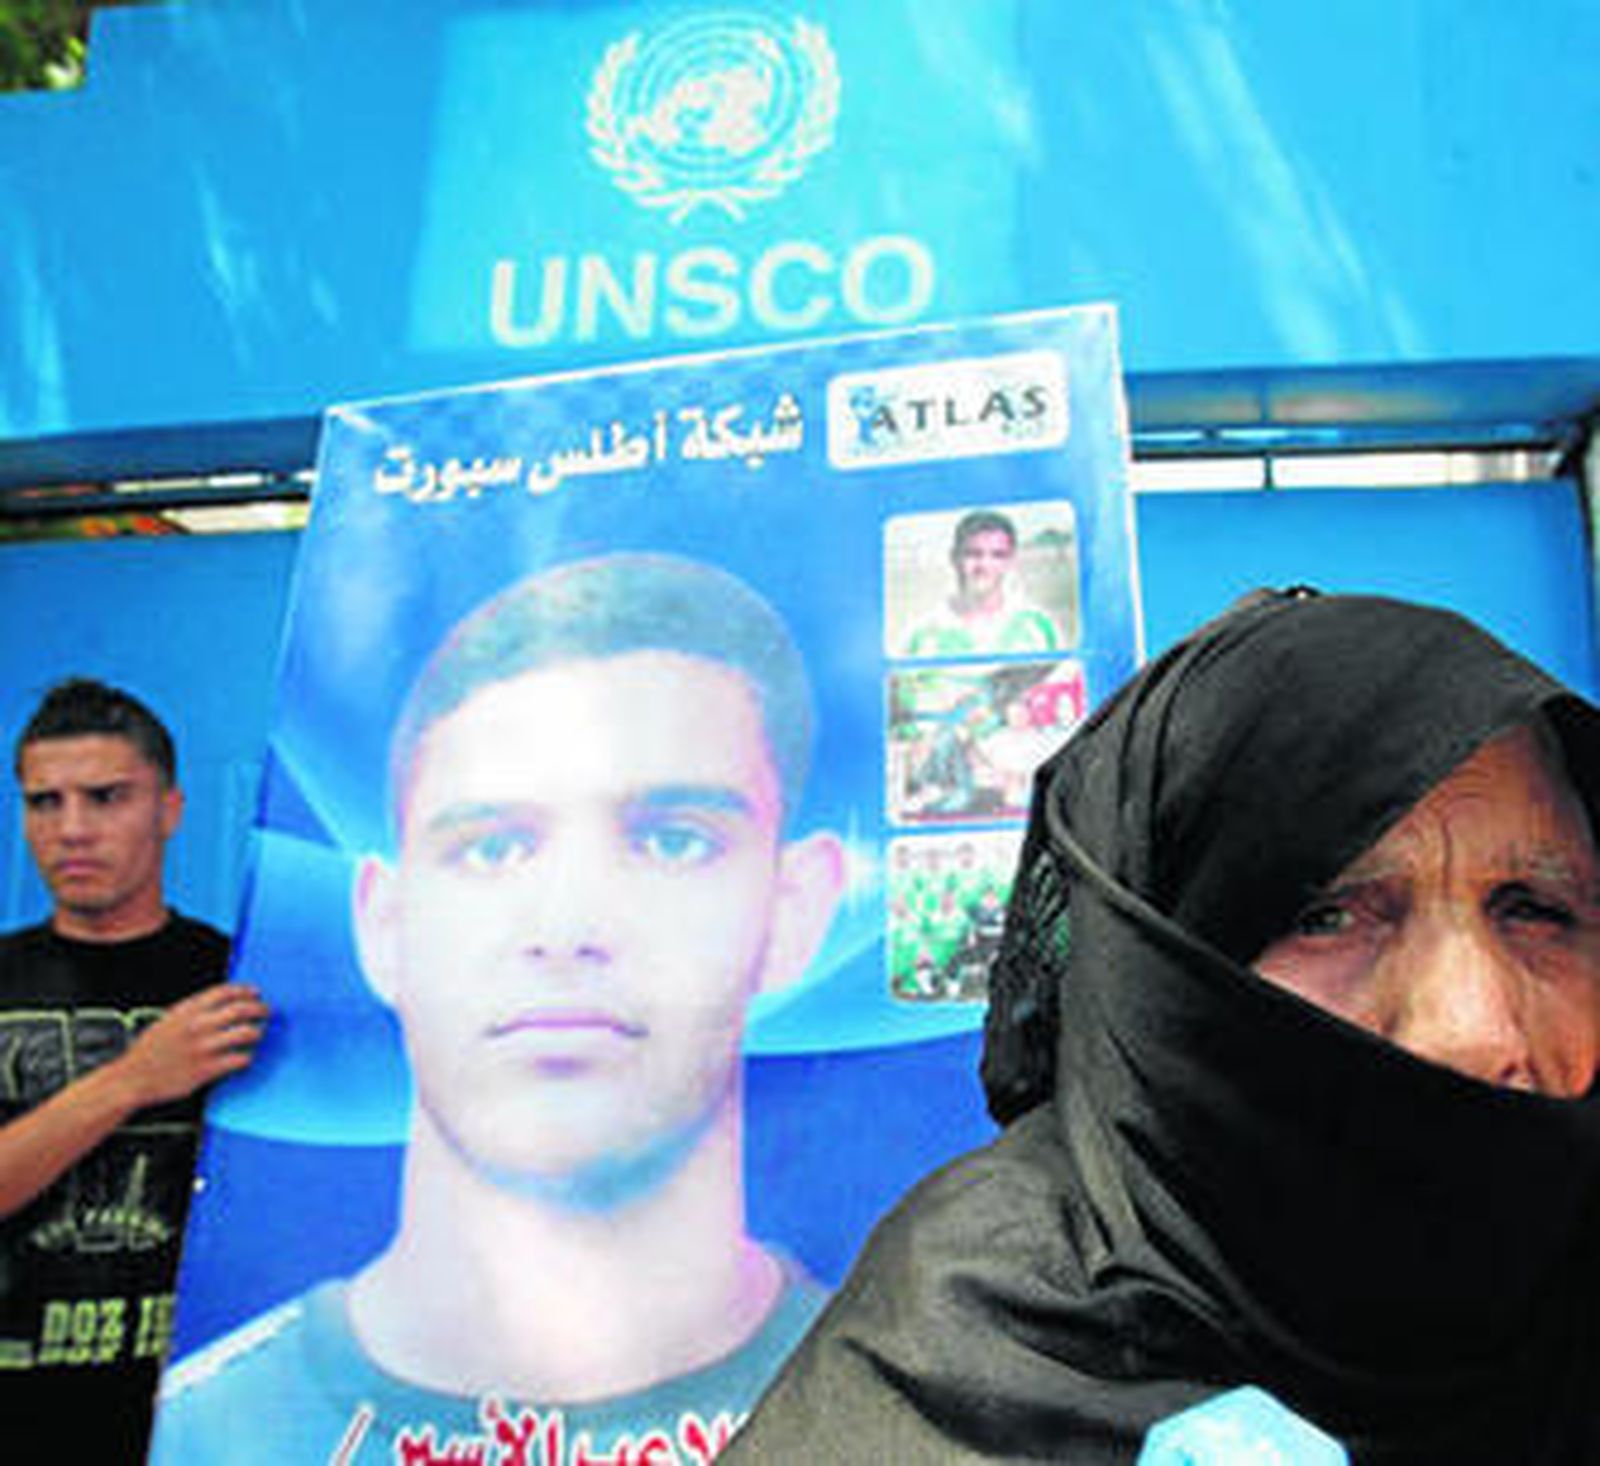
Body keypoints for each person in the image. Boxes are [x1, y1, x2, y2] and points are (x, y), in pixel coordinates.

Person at [726, 590, 1600, 1464]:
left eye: (1536, 910)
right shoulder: (971, 1356)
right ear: (1157, 984)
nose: (1473, 1030)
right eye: (1328, 916)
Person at [153, 553, 847, 1463]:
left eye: (673, 841)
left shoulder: (923, 1415)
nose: (565, 929)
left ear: (796, 909)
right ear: (384, 923)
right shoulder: (211, 1438)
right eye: (491, 848)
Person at [0, 679, 268, 1463]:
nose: (72, 830)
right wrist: (134, 1079)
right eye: (45, 802)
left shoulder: (238, 983)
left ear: (169, 810)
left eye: (106, 797)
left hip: (204, 1416)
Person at [903, 509, 1061, 658]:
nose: (984, 566)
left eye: (998, 555)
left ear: (1011, 561)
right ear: (954, 557)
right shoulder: (921, 637)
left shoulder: (1038, 628)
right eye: (973, 554)